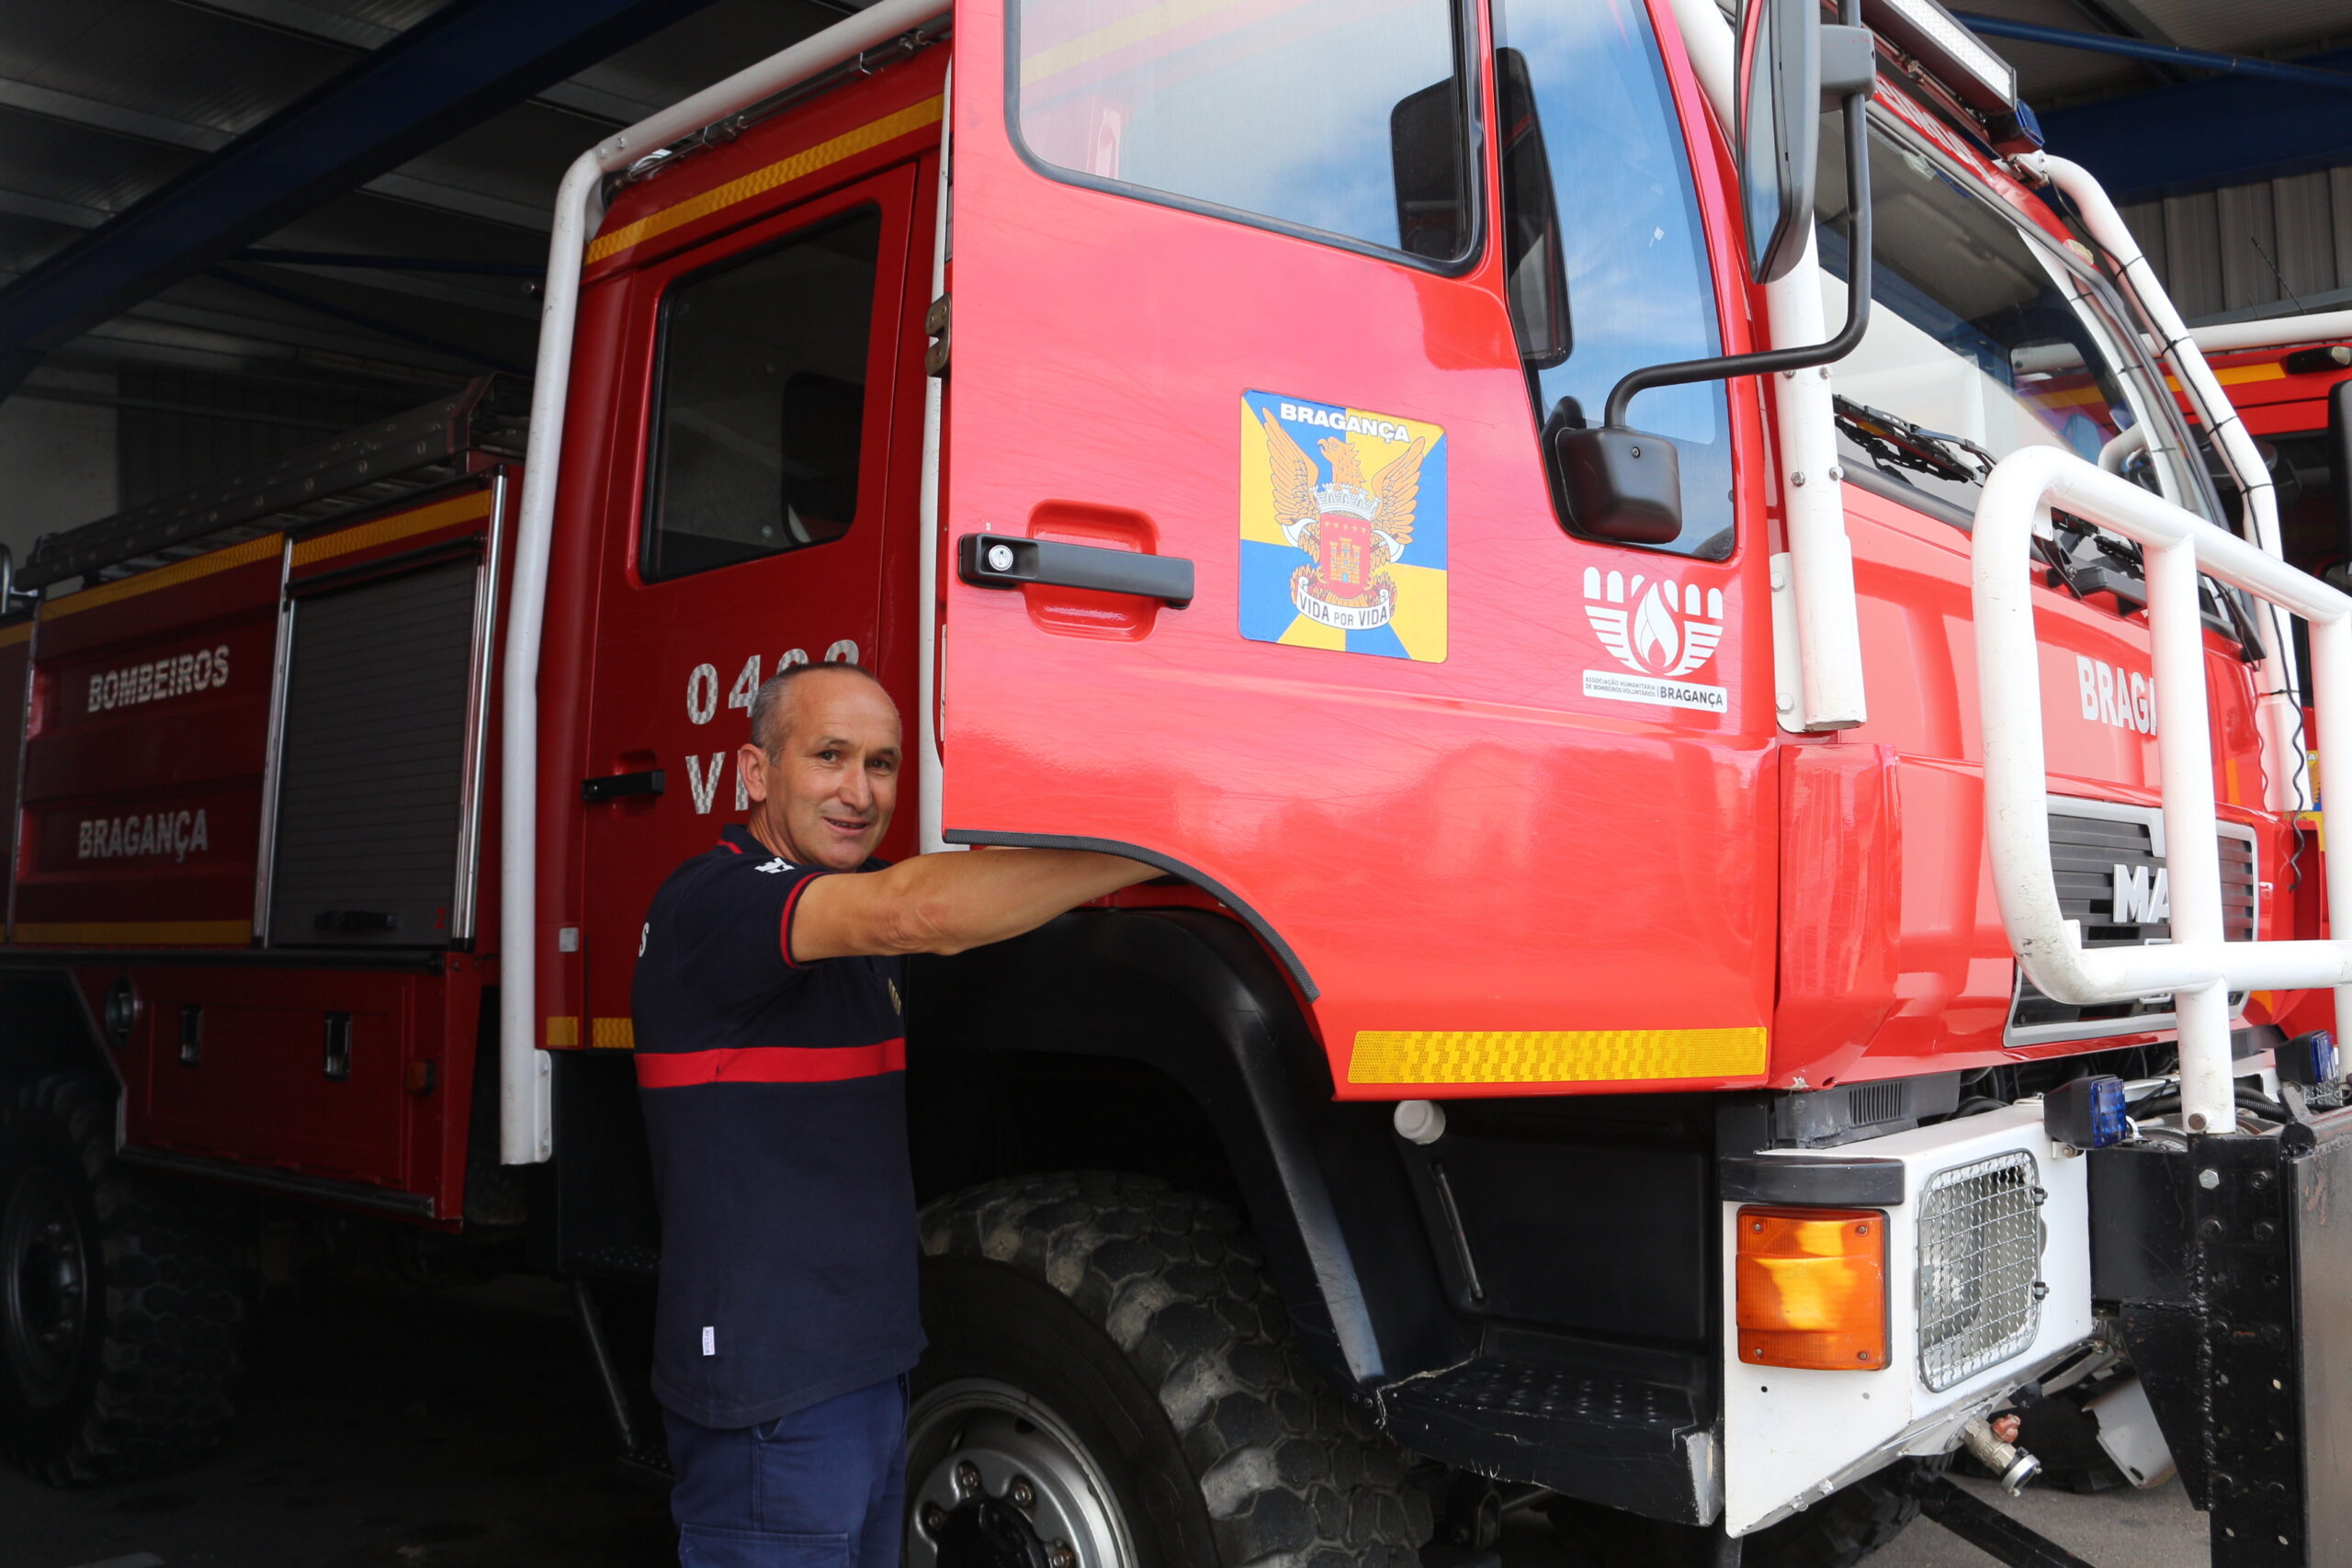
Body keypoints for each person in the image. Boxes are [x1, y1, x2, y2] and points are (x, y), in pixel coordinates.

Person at [631, 661, 1154, 1568]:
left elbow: (936, 894)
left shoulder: (852, 899)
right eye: (828, 756)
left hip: (866, 1376)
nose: (860, 791)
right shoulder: (714, 901)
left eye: (881, 764)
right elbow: (916, 912)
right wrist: (1167, 845)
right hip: (775, 1397)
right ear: (756, 772)